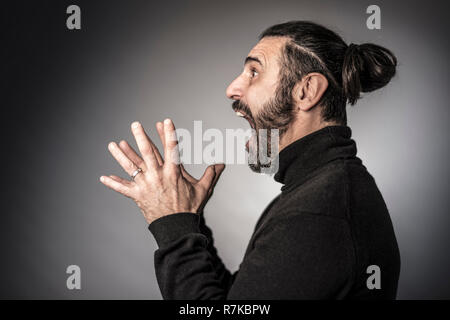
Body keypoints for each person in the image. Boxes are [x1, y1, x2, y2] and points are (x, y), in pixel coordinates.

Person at [100, 21, 400, 299]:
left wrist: (172, 226)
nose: (232, 89)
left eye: (253, 73)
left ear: (307, 91)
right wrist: (188, 221)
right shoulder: (318, 190)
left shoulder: (318, 212)